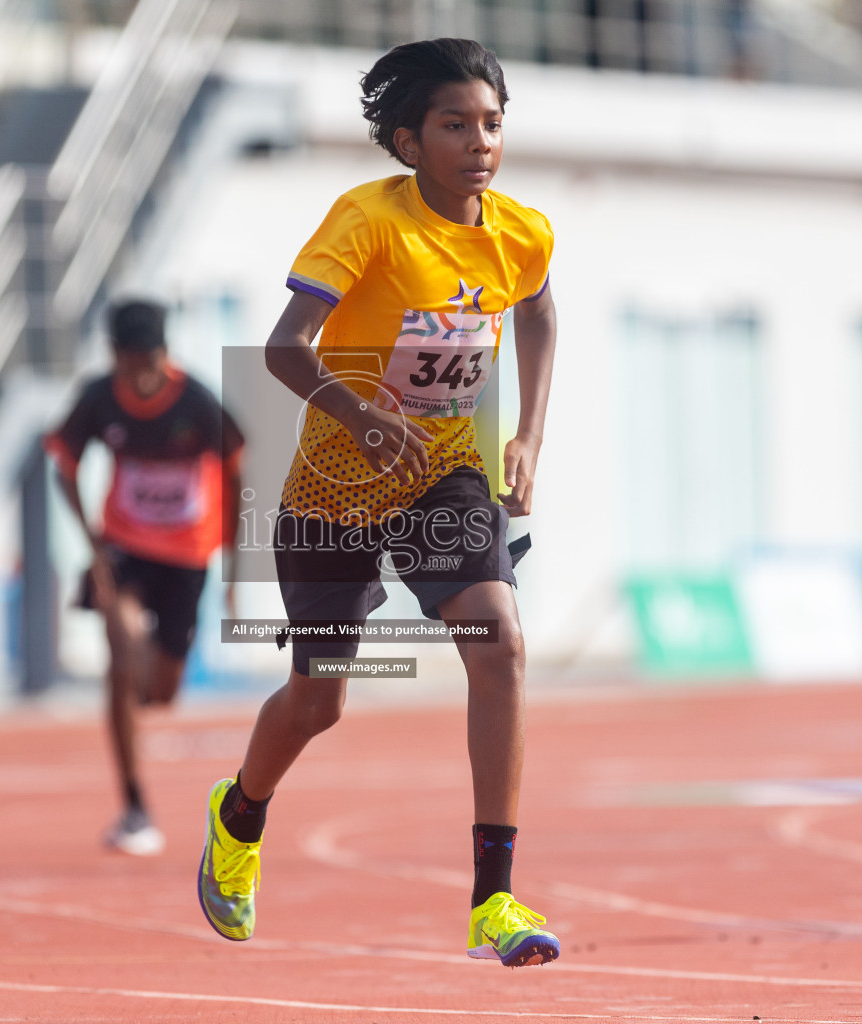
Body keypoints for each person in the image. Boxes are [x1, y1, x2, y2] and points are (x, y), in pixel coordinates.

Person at [197, 38, 561, 967]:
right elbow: (284, 348)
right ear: (408, 140)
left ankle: (495, 899)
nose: (479, 142)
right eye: (454, 125)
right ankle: (239, 817)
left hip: (445, 475)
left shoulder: (520, 230)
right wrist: (354, 415)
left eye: (491, 123)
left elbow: (540, 315)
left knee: (499, 641)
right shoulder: (365, 222)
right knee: (319, 704)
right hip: (336, 485)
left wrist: (525, 435)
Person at [45, 300, 244, 856]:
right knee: (120, 638)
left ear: (165, 353)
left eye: (151, 361)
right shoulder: (100, 397)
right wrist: (92, 545)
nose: (142, 376)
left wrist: (234, 566)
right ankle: (134, 804)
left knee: (160, 691)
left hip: (187, 557)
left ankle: (134, 687)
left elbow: (237, 468)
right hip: (124, 548)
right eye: (132, 364)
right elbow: (64, 459)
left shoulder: (198, 402)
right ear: (115, 357)